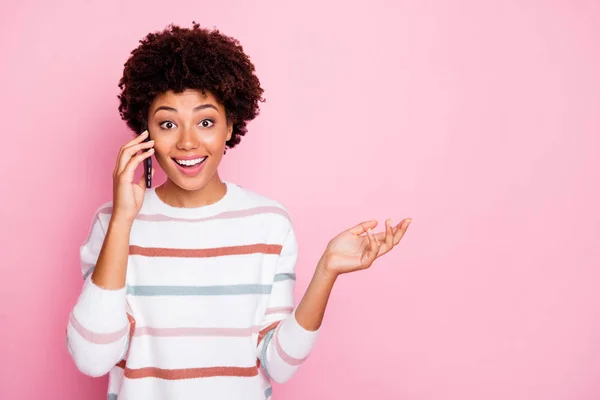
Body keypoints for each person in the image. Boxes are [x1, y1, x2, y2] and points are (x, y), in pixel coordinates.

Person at [66, 22, 412, 400]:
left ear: (230, 124)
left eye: (206, 122)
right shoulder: (111, 223)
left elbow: (278, 364)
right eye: (167, 123)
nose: (187, 141)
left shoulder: (268, 224)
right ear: (144, 132)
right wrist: (121, 223)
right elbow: (93, 358)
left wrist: (327, 270)